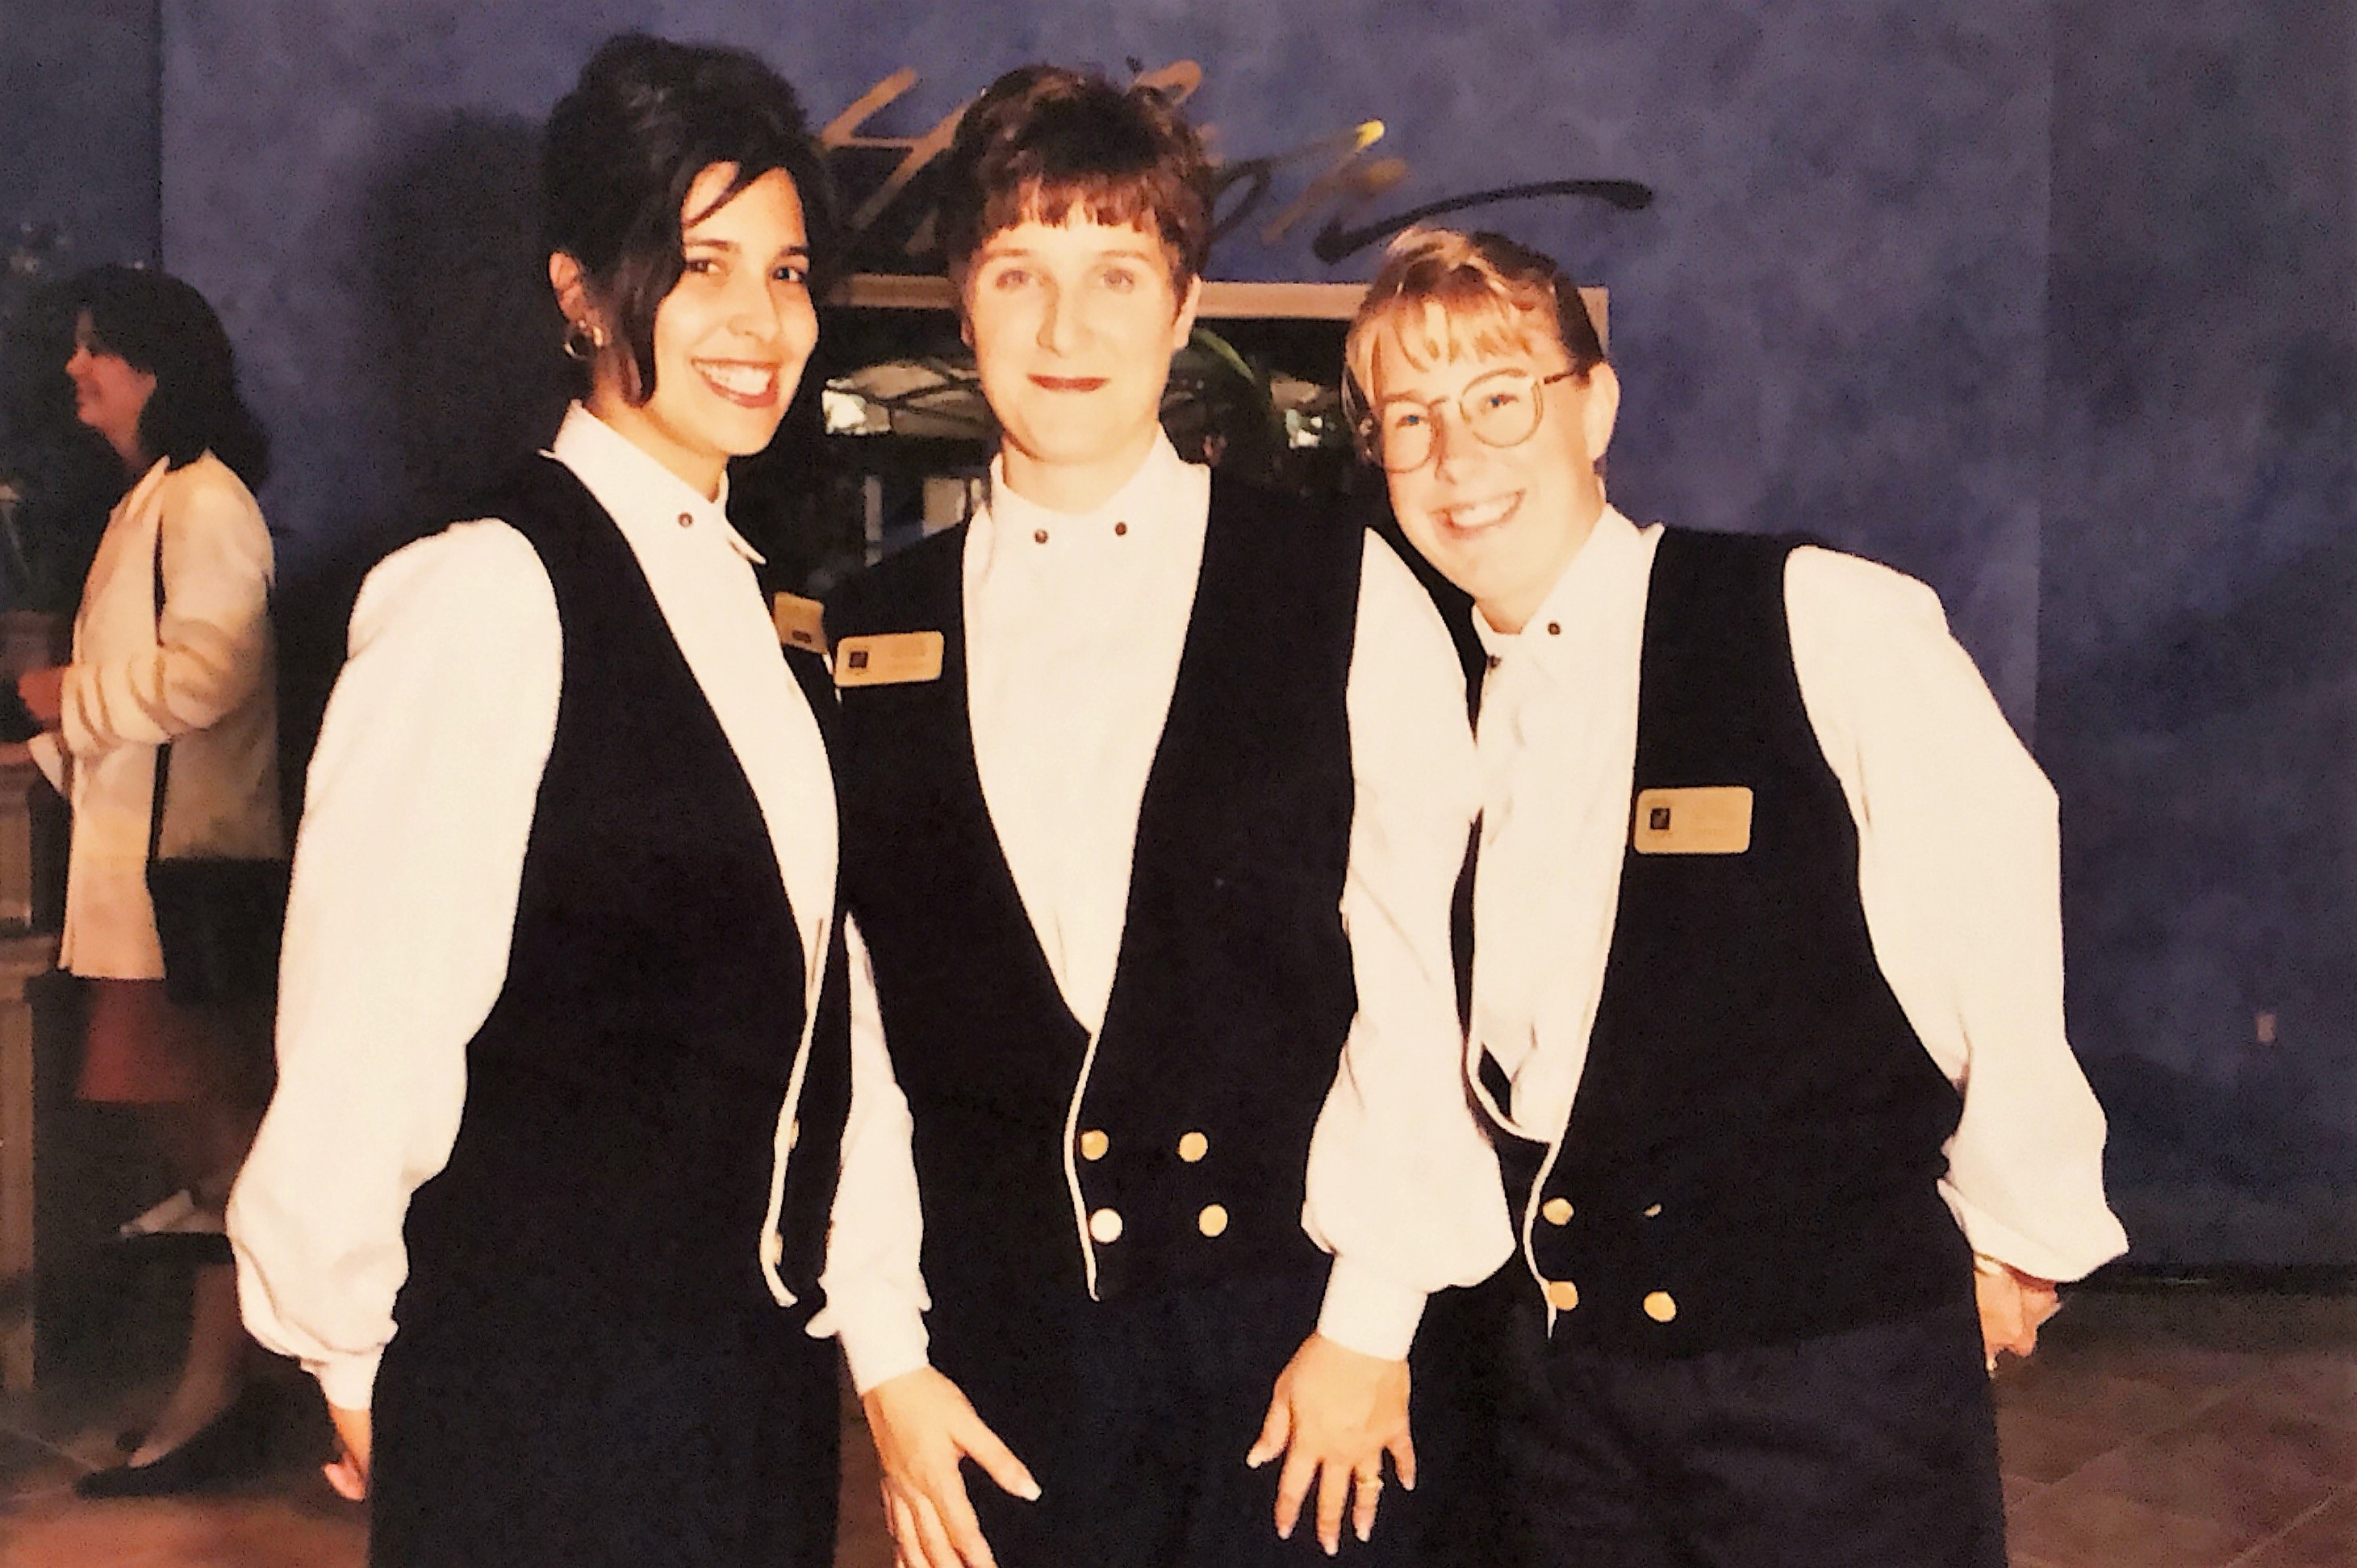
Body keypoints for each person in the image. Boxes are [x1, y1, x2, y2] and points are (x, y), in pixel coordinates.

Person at [1342, 225, 2129, 1568]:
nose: (1453, 457)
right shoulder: (1429, 709)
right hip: (1563, 1400)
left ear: (1593, 405)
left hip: (1822, 1393)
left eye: (1496, 398)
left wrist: (2016, 1238)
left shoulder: (1818, 616)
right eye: (1408, 420)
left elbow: (1992, 919)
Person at [825, 65, 1511, 1568]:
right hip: (1001, 1375)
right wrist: (884, 1352)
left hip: (1302, 1356)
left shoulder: (1342, 589)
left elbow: (1422, 978)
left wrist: (1370, 1322)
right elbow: (856, 1023)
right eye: (1021, 273)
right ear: (960, 302)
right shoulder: (867, 636)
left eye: (1115, 274)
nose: (1066, 331)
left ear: (1183, 303)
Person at [226, 34, 888, 1567]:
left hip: (742, 1385)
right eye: (701, 262)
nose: (759, 320)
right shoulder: (485, 593)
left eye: (787, 274)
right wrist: (349, 1350)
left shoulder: (761, 614)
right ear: (583, 290)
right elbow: (367, 1021)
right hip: (541, 1395)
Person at [0, 264, 284, 1497]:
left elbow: (209, 675)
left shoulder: (199, 503)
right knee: (214, 1157)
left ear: (154, 366)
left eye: (95, 348)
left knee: (224, 1154)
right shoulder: (158, 501)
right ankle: (223, 1396)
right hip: (154, 893)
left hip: (185, 899)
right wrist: (46, 739)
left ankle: (229, 1400)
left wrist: (67, 700)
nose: (78, 369)